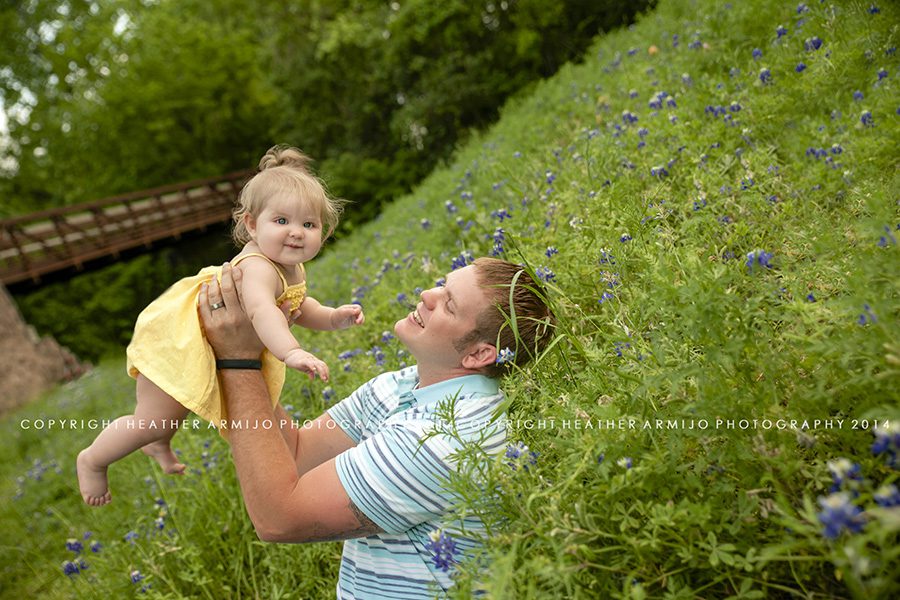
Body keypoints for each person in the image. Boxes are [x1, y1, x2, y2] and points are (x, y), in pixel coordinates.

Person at [198, 257, 555, 599]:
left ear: (478, 355)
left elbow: (279, 519)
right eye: (441, 285)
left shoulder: (446, 438)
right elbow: (296, 454)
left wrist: (238, 362)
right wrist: (253, 345)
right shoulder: (401, 385)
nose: (427, 296)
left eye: (448, 305)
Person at [77, 145, 364, 506]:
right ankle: (93, 460)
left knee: (167, 418)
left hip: (205, 344)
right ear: (251, 224)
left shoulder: (288, 265)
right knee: (153, 418)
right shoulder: (259, 267)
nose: (296, 233)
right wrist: (291, 351)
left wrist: (333, 316)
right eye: (282, 221)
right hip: (176, 343)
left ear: (324, 229)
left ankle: (158, 443)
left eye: (309, 224)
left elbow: (299, 305)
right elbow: (263, 311)